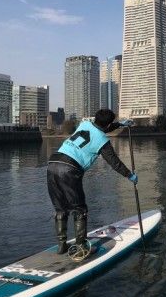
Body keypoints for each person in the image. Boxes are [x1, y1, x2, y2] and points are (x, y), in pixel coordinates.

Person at [47, 109, 137, 259]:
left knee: (60, 209)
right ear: (108, 123)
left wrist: (120, 124)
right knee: (79, 209)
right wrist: (130, 175)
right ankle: (81, 247)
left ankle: (62, 246)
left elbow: (103, 127)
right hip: (69, 168)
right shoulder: (103, 141)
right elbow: (115, 163)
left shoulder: (85, 124)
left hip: (53, 163)